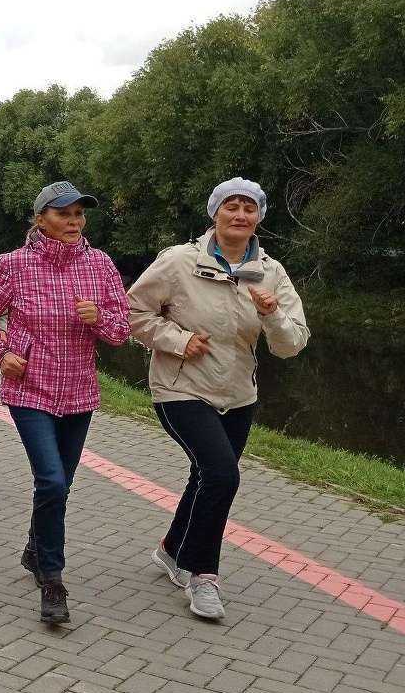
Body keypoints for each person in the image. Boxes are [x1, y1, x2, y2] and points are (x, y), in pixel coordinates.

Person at [127, 177, 308, 620]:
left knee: (205, 475)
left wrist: (272, 315)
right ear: (215, 212)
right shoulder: (179, 262)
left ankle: (172, 550)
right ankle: (201, 573)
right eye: (232, 206)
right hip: (180, 389)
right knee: (223, 476)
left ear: (259, 217)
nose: (240, 215)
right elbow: (132, 312)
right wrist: (178, 340)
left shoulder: (271, 272)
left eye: (249, 208)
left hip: (239, 395)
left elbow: (292, 344)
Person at [0, 182, 130, 625]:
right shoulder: (14, 265)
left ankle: (34, 549)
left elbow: (121, 331)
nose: (74, 221)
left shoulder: (100, 265)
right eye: (63, 214)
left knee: (59, 484)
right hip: (30, 389)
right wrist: (2, 353)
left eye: (79, 214)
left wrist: (99, 318)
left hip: (79, 392)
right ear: (41, 219)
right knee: (52, 481)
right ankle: (53, 582)